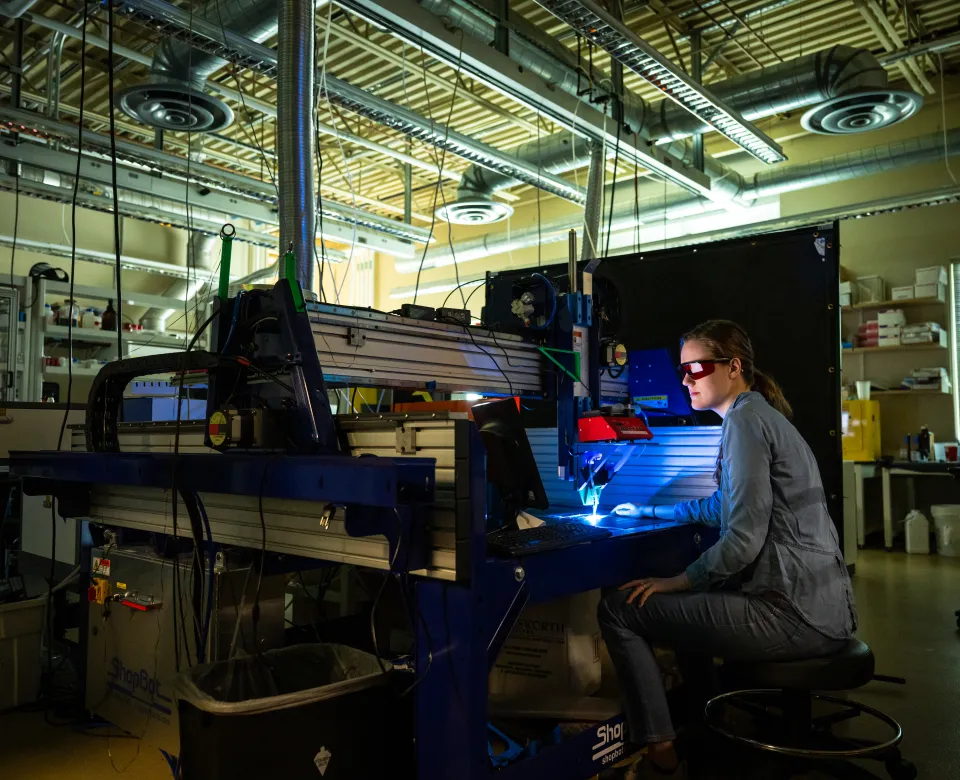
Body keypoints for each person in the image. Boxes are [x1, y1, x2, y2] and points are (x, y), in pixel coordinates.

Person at [598, 320, 857, 777]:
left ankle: (662, 757)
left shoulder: (744, 422)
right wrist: (648, 510)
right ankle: (708, 720)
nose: (684, 380)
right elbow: (724, 505)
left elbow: (741, 540)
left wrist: (677, 580)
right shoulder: (760, 418)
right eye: (682, 370)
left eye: (695, 368)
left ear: (734, 367)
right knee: (687, 601)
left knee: (620, 609)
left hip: (793, 615)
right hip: (826, 610)